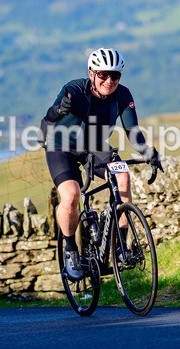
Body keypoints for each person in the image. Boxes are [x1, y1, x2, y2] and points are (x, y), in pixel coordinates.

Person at [42, 47, 162, 281]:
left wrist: (148, 151)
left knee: (122, 177)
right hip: (60, 146)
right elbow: (50, 115)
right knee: (71, 195)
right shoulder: (74, 89)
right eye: (103, 75)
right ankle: (70, 250)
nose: (109, 81)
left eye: (115, 75)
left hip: (94, 146)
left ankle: (121, 248)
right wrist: (59, 109)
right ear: (91, 73)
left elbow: (132, 130)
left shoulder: (123, 95)